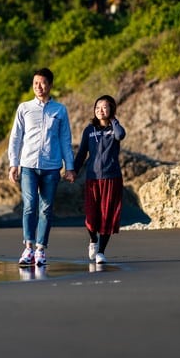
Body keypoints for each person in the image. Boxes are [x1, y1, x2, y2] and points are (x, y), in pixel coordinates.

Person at [7, 68, 76, 267]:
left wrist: (69, 167)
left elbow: (65, 139)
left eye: (43, 82)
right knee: (29, 206)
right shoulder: (24, 108)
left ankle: (40, 250)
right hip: (28, 165)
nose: (39, 86)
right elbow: (16, 138)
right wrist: (14, 164)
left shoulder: (60, 110)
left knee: (46, 209)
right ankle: (28, 248)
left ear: (50, 85)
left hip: (52, 167)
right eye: (36, 83)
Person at [72, 95, 126, 265]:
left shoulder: (114, 128)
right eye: (97, 108)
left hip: (112, 177)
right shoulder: (89, 130)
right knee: (90, 216)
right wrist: (73, 171)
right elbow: (82, 153)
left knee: (107, 216)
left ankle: (101, 252)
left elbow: (121, 135)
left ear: (111, 109)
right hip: (92, 178)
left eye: (104, 107)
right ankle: (93, 241)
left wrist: (113, 120)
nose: (100, 110)